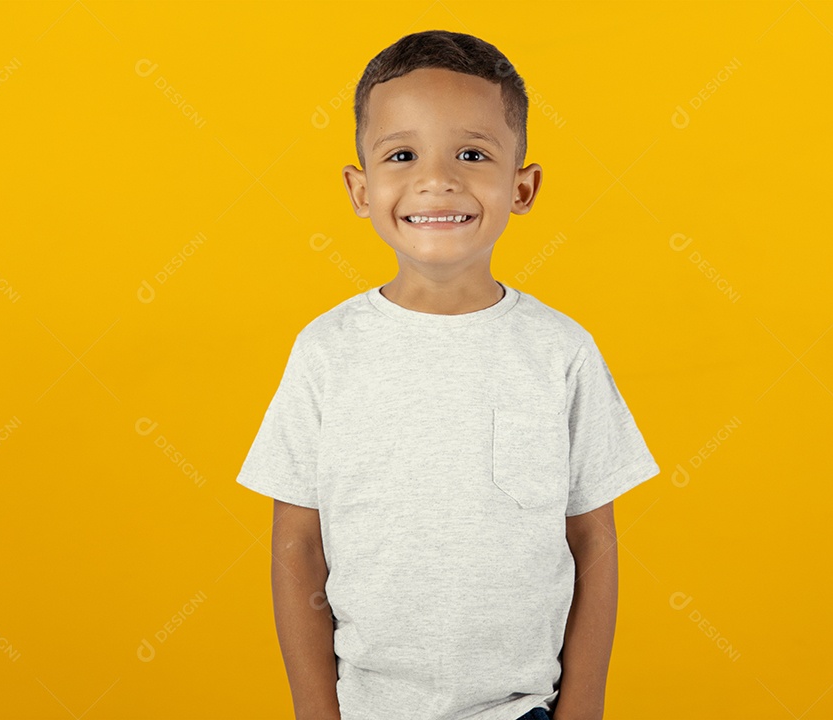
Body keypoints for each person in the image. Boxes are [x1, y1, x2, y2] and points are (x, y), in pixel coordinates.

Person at [236, 29, 660, 720]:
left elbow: (593, 542)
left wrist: (583, 708)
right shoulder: (326, 353)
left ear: (522, 186)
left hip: (522, 709)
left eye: (472, 153)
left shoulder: (561, 353)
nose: (438, 179)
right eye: (402, 155)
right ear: (360, 188)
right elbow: (297, 548)